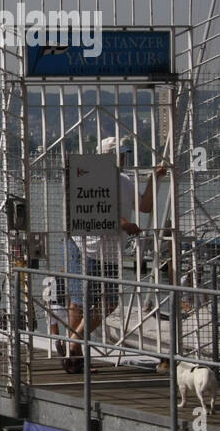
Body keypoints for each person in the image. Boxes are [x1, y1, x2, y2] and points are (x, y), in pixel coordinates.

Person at [63, 136, 164, 373]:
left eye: (123, 154)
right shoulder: (90, 176)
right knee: (79, 301)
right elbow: (91, 209)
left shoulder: (125, 180)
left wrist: (154, 178)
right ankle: (75, 357)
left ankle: (72, 343)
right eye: (118, 154)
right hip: (85, 246)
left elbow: (145, 206)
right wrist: (124, 224)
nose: (122, 158)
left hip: (110, 251)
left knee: (108, 301)